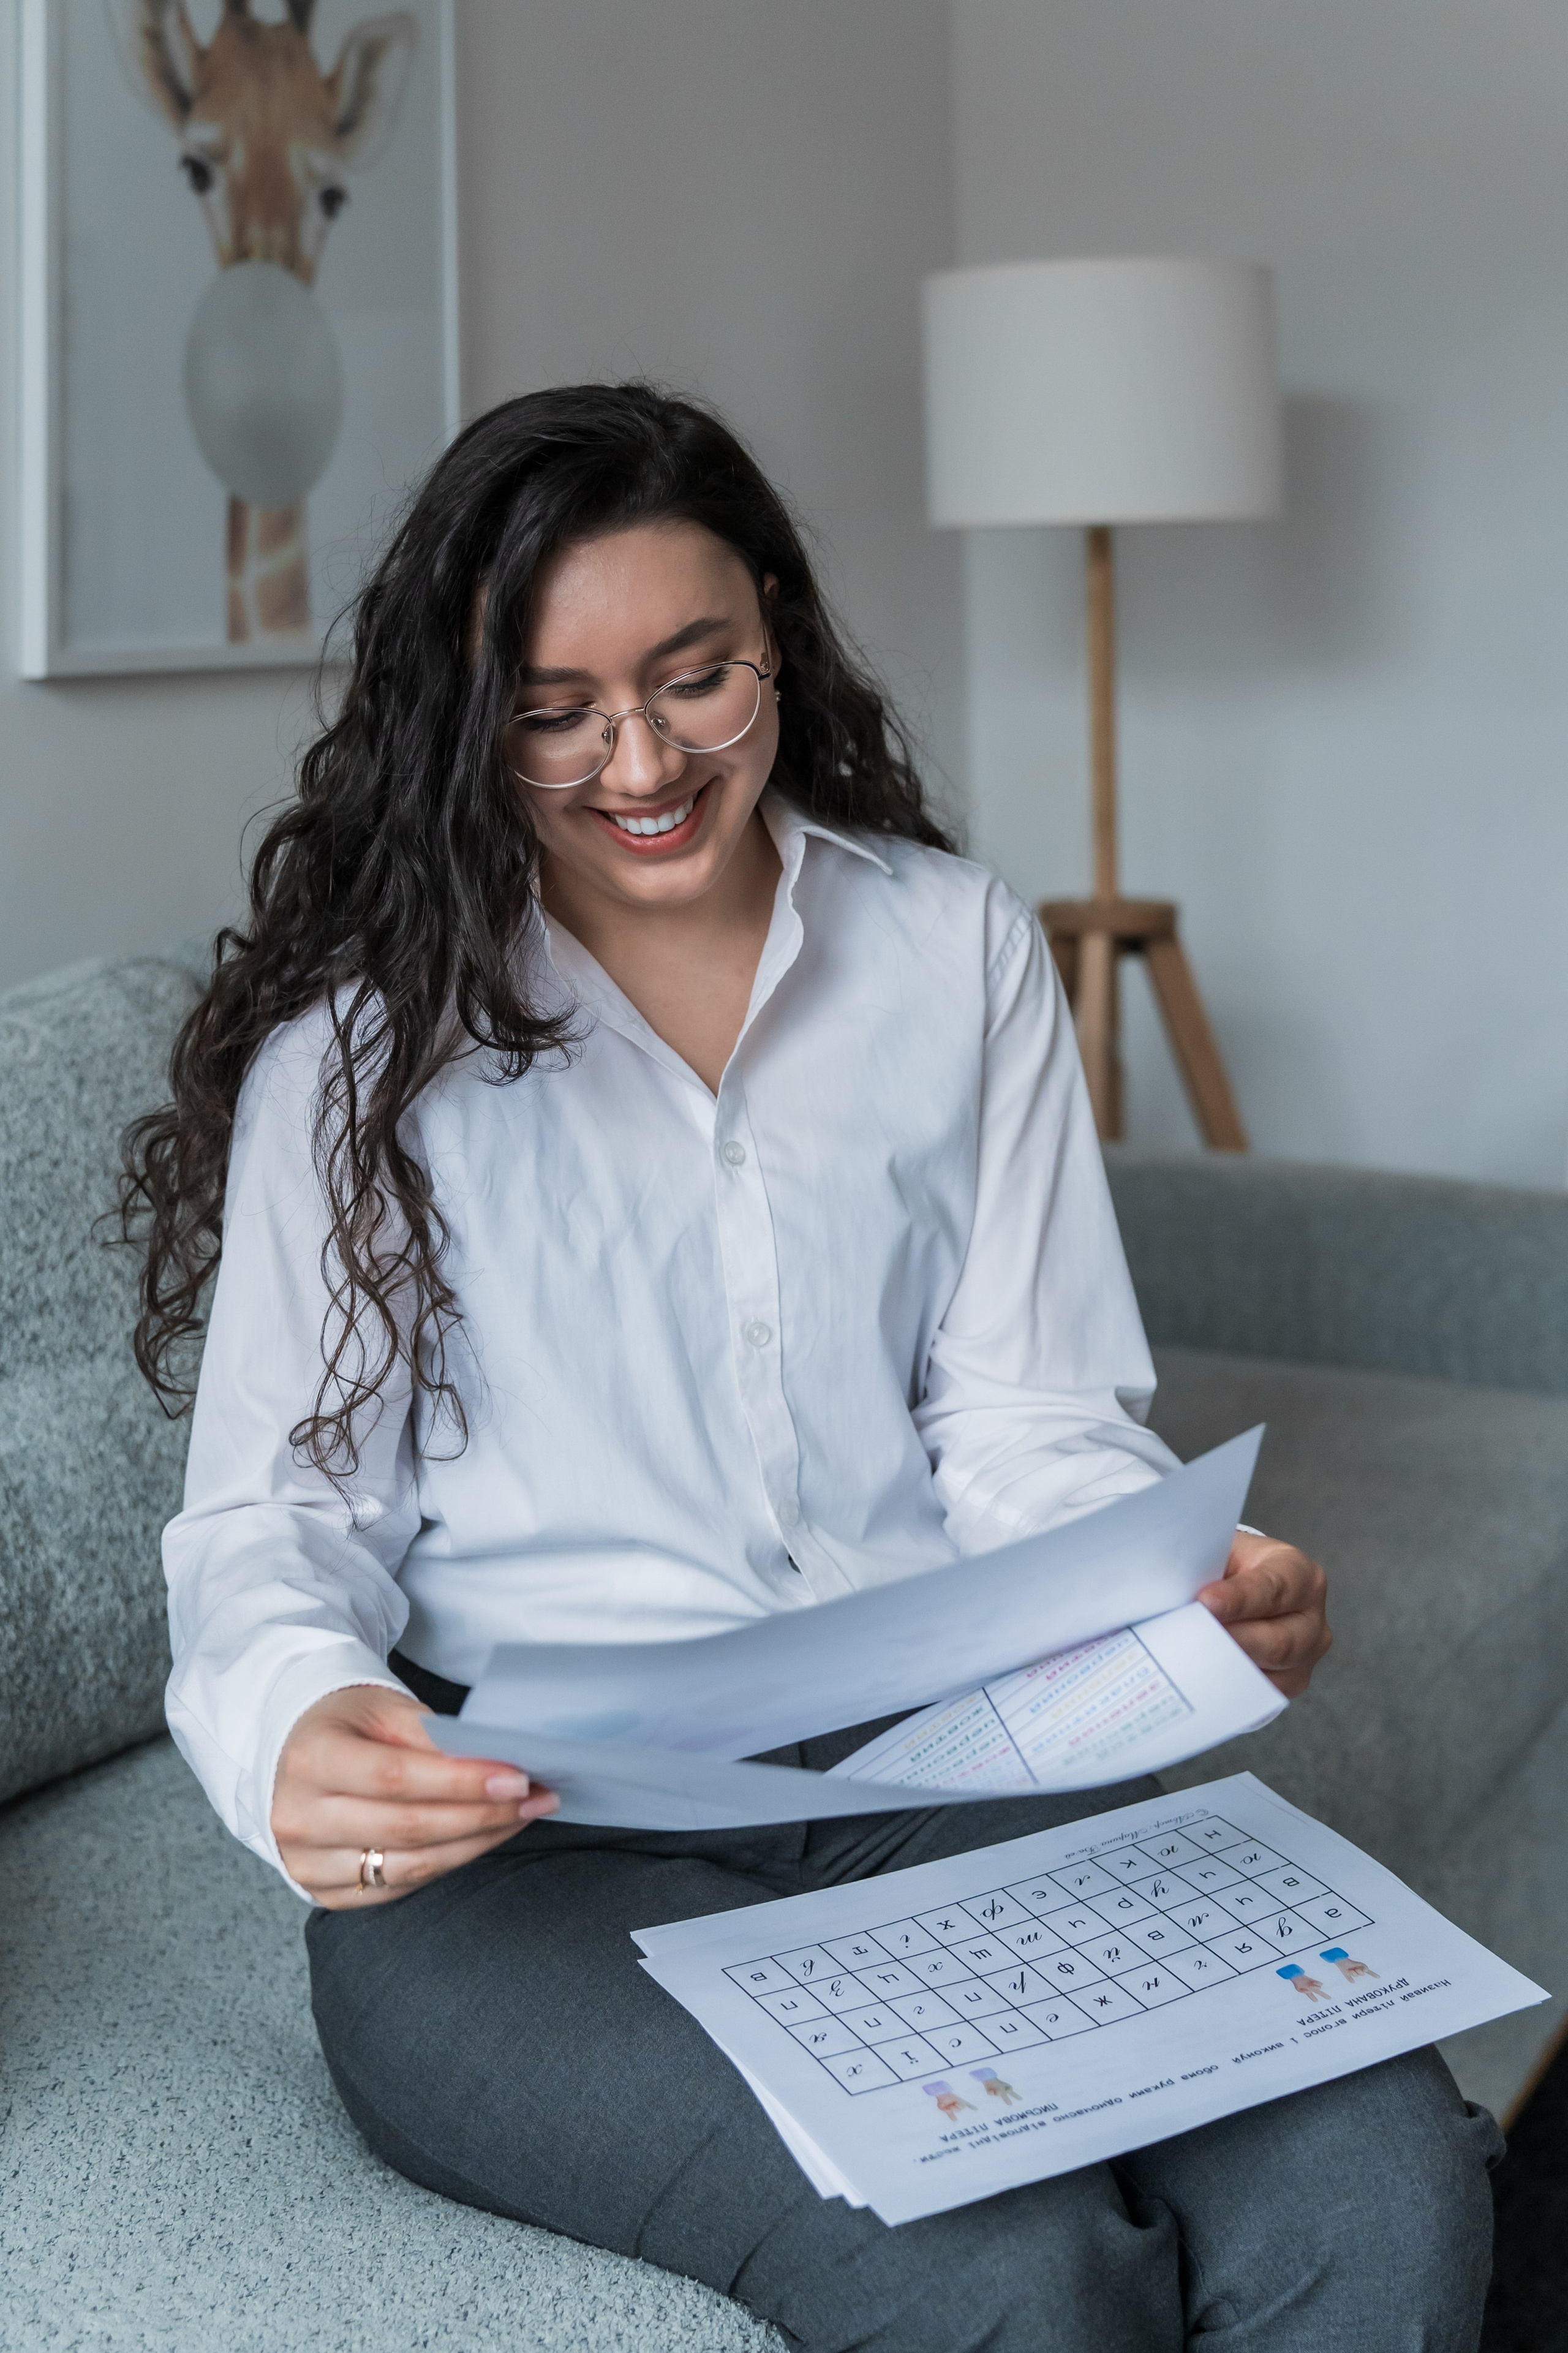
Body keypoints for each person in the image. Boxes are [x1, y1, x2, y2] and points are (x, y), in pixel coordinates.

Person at [124, 384, 1499, 2351]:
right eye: (557, 708)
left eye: (697, 677)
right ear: (466, 716)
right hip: (528, 1848)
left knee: (1379, 2177)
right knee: (1007, 2273)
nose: (643, 761)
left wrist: (1172, 1578)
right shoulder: (362, 1063)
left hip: (939, 1758)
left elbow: (1023, 1414)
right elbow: (278, 1520)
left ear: (776, 625)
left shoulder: (952, 956)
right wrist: (302, 1716)